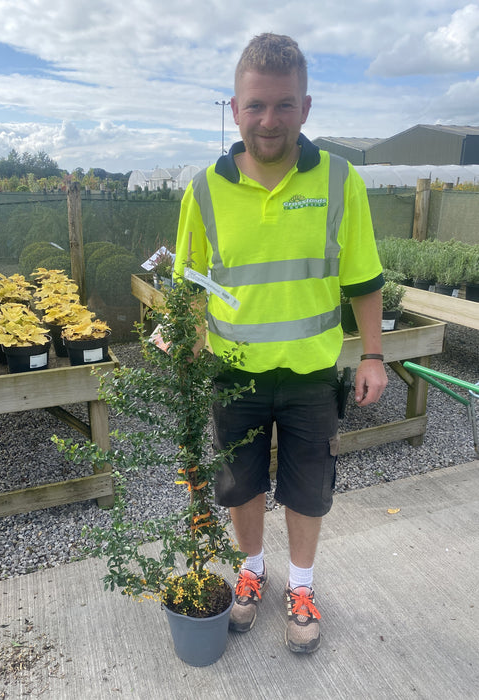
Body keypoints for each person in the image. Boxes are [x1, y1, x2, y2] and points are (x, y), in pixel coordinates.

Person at [174, 32, 388, 654]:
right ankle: (252, 569)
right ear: (235, 108)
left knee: (307, 486)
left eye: (284, 104)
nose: (270, 119)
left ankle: (300, 586)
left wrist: (372, 355)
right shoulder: (204, 190)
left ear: (306, 106)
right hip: (232, 373)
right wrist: (185, 353)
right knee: (240, 483)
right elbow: (188, 283)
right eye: (257, 105)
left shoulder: (342, 181)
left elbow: (365, 279)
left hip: (311, 375)